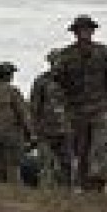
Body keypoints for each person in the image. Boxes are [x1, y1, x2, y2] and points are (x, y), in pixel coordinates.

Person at [50, 15, 107, 191]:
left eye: (87, 30)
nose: (84, 34)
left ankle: (96, 180)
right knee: (81, 151)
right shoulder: (66, 56)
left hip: (100, 109)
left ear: (92, 31)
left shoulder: (105, 53)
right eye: (80, 30)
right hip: (76, 111)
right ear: (75, 33)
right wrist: (60, 109)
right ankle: (86, 186)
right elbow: (56, 84)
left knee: (99, 148)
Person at [28, 48, 71, 188]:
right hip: (45, 129)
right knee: (46, 163)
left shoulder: (71, 81)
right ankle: (46, 191)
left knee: (66, 163)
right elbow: (33, 107)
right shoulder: (41, 81)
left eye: (60, 61)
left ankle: (66, 190)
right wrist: (33, 131)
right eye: (55, 61)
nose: (58, 64)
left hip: (66, 128)